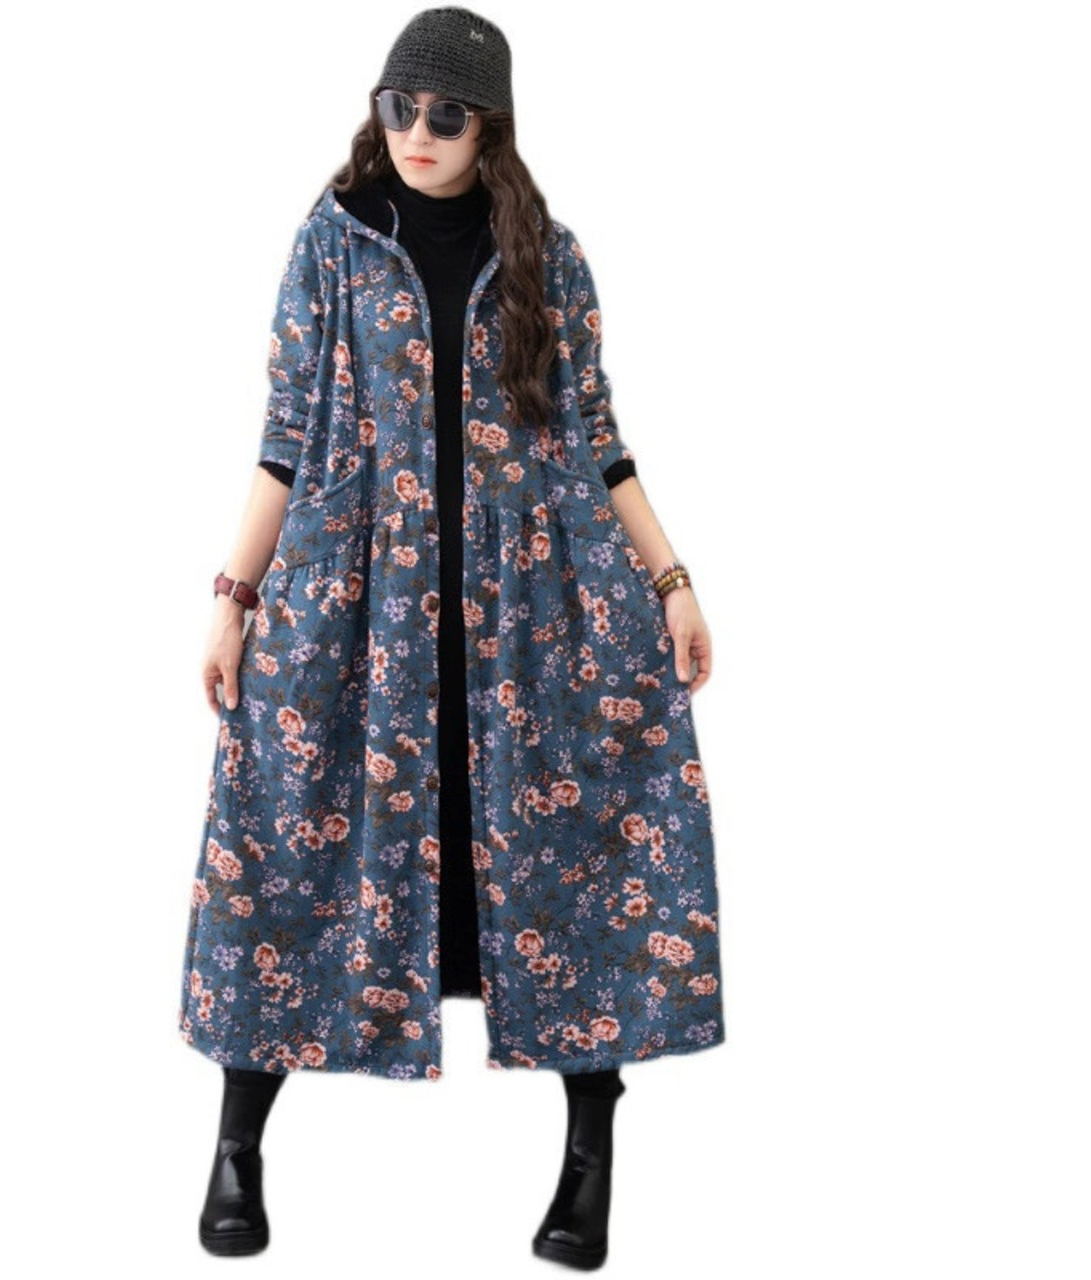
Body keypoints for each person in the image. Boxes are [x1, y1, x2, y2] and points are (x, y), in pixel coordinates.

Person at [181, 7, 724, 1268]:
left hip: (530, 613)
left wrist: (670, 578)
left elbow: (595, 433)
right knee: (280, 844)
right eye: (397, 106)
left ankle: (588, 1151)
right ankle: (236, 1140)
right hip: (354, 608)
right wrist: (233, 593)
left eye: (444, 113)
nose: (415, 132)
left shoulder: (549, 255)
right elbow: (283, 434)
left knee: (577, 855)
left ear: (491, 127)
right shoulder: (332, 240)